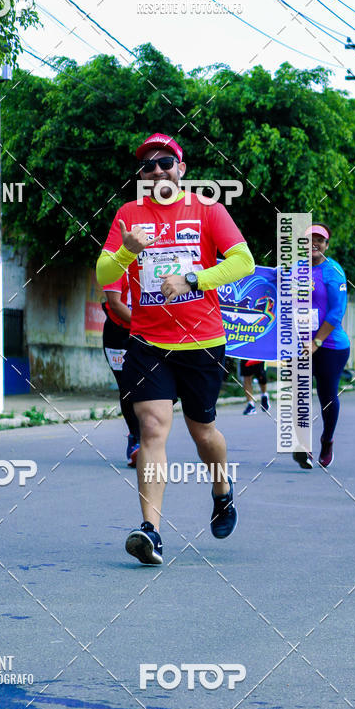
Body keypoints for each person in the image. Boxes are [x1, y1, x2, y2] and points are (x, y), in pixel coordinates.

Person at [96, 132, 255, 565]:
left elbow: (243, 260)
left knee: (203, 432)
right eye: (148, 165)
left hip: (203, 341)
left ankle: (222, 489)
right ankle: (151, 531)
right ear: (142, 176)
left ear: (181, 169)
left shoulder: (208, 209)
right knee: (151, 428)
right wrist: (127, 251)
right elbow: (103, 270)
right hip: (148, 342)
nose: (157, 169)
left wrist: (192, 280)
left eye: (166, 161)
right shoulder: (129, 215)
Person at [293, 223, 350, 470]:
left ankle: (327, 441)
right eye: (309, 239)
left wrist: (317, 341)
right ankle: (303, 447)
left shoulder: (333, 272)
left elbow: (337, 312)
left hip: (331, 346)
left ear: (326, 245)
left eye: (320, 240)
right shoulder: (296, 270)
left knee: (326, 396)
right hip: (301, 345)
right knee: (299, 395)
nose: (313, 244)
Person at [102, 272, 141, 466]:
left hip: (151, 333)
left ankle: (149, 436)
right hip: (118, 333)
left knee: (154, 386)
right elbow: (115, 303)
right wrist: (144, 324)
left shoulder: (158, 255)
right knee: (127, 388)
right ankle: (136, 438)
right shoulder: (114, 260)